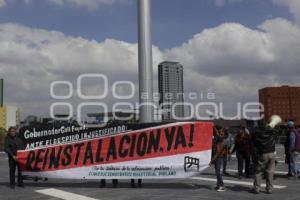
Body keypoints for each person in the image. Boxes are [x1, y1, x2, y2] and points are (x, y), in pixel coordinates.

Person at [251, 115, 281, 194]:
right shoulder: (271, 131)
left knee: (258, 172)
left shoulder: (257, 133)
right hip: (272, 153)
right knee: (270, 172)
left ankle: (257, 188)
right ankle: (269, 189)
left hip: (263, 154)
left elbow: (254, 143)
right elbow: (278, 132)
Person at [210, 126, 226, 192]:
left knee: (218, 172)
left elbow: (217, 153)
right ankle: (218, 185)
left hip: (219, 157)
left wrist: (212, 161)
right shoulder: (217, 140)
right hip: (217, 157)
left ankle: (222, 186)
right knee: (217, 172)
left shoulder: (220, 140)